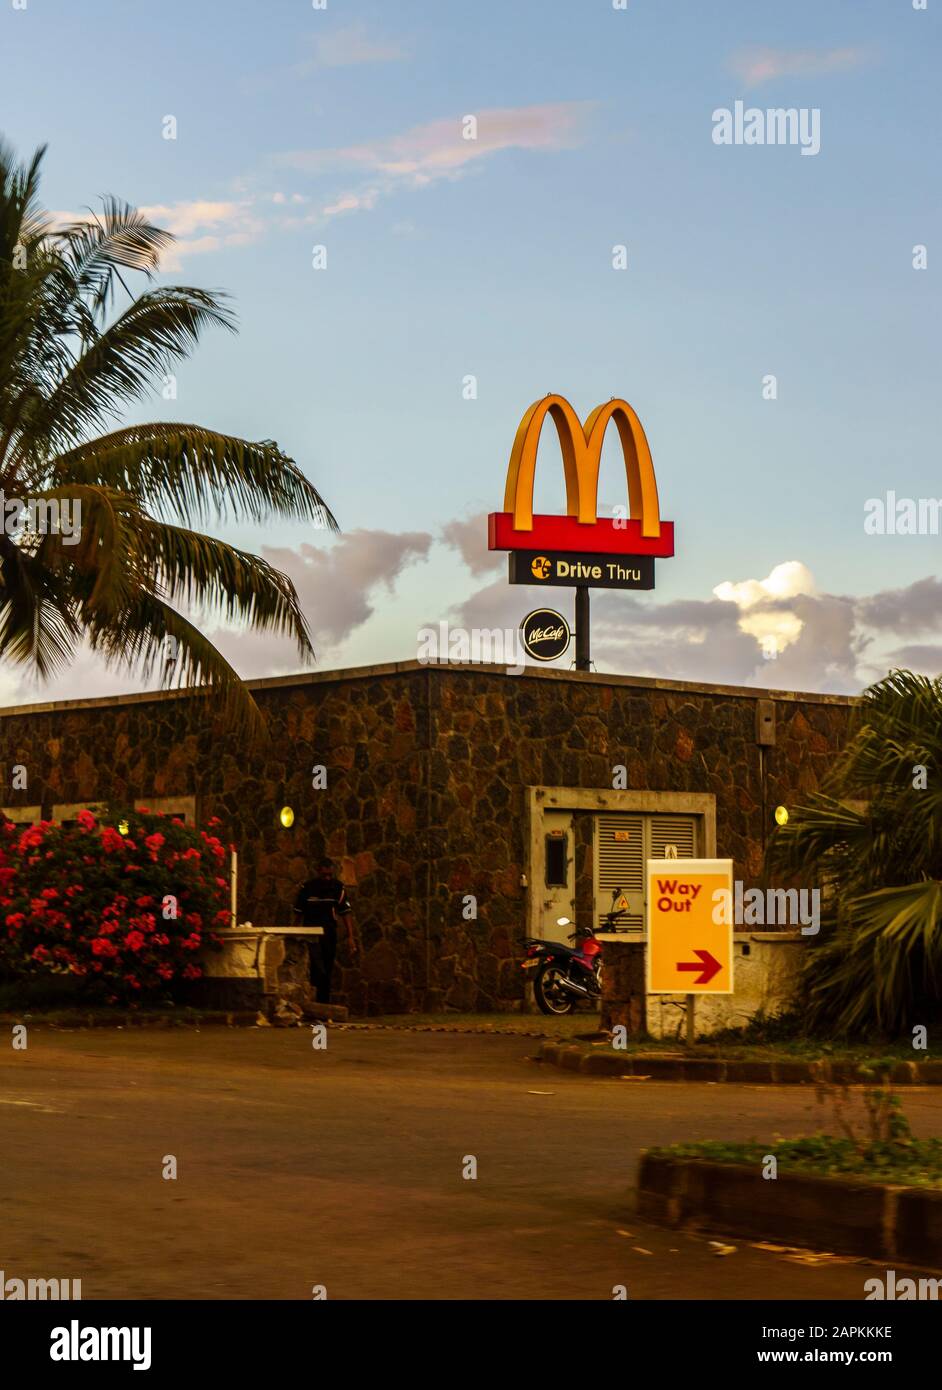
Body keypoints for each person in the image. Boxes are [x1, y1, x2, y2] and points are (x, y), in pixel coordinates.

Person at [293, 857, 356, 1003]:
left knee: (327, 967)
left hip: (329, 932)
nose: (327, 878)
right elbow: (298, 913)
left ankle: (323, 1002)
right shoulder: (308, 888)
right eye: (324, 875)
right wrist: (294, 933)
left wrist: (351, 937)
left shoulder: (337, 887)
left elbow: (345, 913)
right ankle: (314, 1001)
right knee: (316, 967)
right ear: (318, 871)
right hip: (311, 933)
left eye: (329, 875)